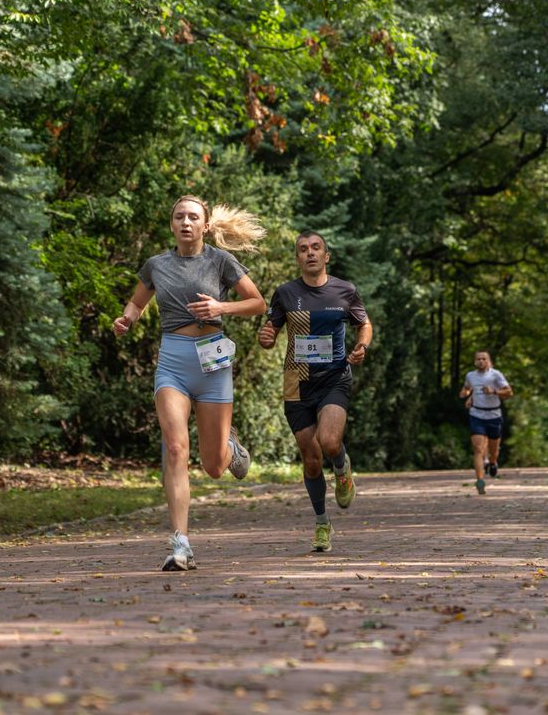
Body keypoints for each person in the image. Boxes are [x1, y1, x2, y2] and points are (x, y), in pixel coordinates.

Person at [113, 195, 266, 571]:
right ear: (171, 224)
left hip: (212, 361)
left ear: (205, 226)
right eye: (179, 216)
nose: (185, 222)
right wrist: (127, 319)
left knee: (213, 466)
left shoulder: (220, 261)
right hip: (173, 362)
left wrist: (220, 307)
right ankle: (180, 543)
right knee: (176, 447)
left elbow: (258, 302)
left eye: (193, 217)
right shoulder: (156, 265)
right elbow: (137, 303)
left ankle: (229, 448)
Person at [258, 231, 372, 553]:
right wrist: (266, 338)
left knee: (330, 441)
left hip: (334, 378)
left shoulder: (345, 291)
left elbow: (364, 324)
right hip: (297, 383)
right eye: (303, 249)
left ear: (326, 256)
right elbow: (270, 330)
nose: (309, 253)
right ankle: (322, 523)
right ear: (297, 258)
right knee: (310, 459)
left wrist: (362, 346)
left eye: (316, 248)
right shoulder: (285, 293)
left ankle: (342, 468)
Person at [458, 350, 512, 494]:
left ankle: (492, 462)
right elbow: (468, 387)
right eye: (478, 359)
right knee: (478, 449)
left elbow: (509, 392)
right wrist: (465, 393)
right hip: (477, 415)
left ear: (488, 361)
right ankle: (480, 480)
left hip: (494, 415)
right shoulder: (470, 375)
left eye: (484, 359)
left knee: (494, 451)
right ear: (475, 361)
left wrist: (494, 392)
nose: (481, 361)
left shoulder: (496, 375)